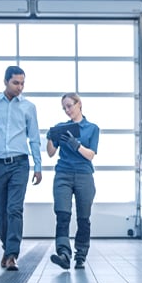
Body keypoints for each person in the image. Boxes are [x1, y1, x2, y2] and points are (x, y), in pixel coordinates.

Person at [0, 65, 42, 271]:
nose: (20, 87)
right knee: (1, 210)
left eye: (22, 83)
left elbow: (34, 138)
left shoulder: (28, 107)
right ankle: (7, 249)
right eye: (16, 83)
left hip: (20, 164)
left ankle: (12, 254)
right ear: (5, 81)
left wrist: (38, 165)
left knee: (14, 209)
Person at [46, 92, 99, 270]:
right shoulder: (61, 128)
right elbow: (51, 153)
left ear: (79, 104)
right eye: (64, 108)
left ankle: (81, 255)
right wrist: (51, 137)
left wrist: (76, 145)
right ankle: (64, 254)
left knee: (83, 218)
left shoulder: (92, 128)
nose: (67, 110)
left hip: (84, 175)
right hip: (63, 174)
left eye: (69, 106)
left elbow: (90, 155)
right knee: (62, 215)